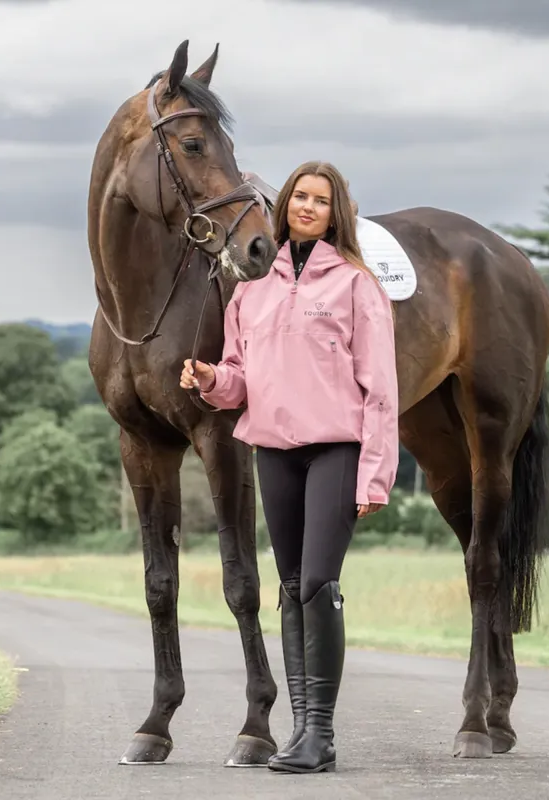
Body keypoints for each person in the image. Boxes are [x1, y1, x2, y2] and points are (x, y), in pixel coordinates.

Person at [180, 160, 399, 774]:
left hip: (337, 449)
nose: (307, 206)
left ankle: (319, 733)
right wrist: (211, 379)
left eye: (320, 200)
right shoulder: (251, 290)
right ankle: (302, 731)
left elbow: (381, 388)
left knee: (318, 583)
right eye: (300, 196)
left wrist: (375, 473)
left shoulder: (356, 285)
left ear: (335, 214)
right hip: (274, 451)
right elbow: (239, 379)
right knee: (291, 585)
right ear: (284, 206)